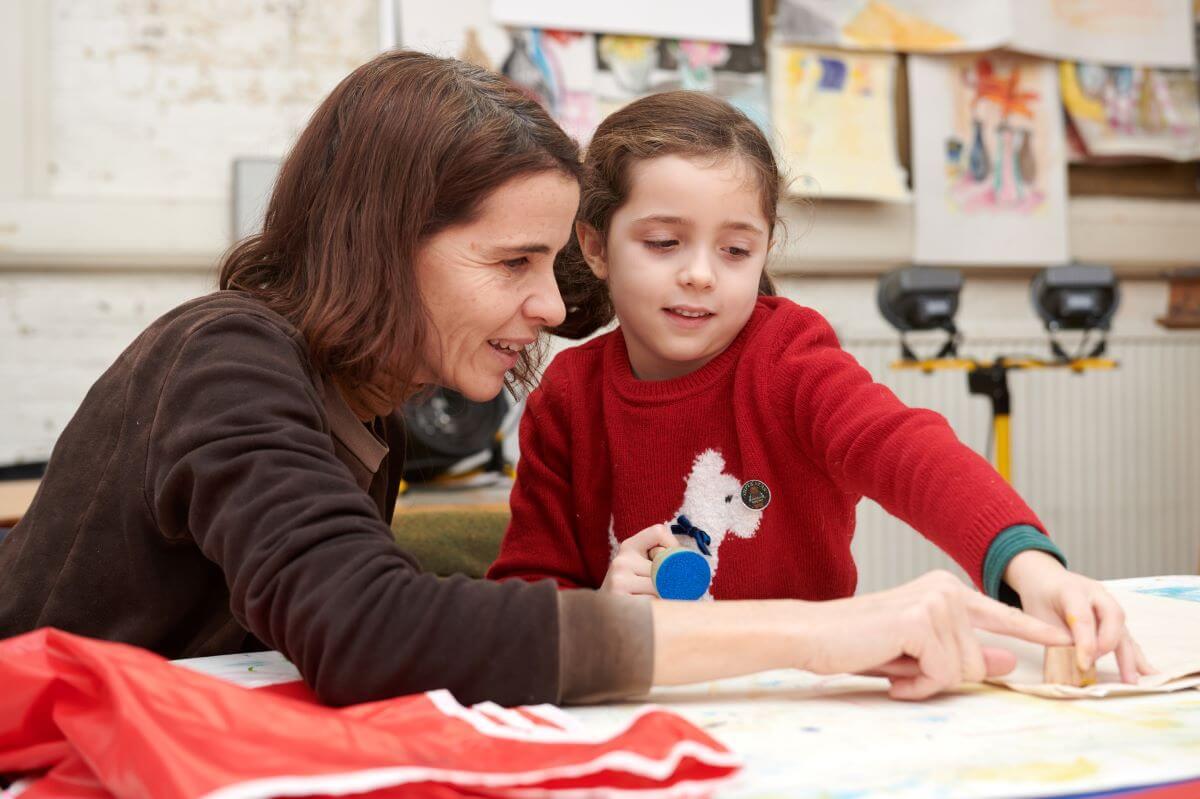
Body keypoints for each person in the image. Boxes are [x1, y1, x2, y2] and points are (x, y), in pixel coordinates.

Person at [0, 52, 1069, 707]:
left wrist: (1019, 556)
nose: (555, 307)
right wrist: (822, 629)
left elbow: (348, 627)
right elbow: (368, 627)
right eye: (515, 264)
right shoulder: (225, 358)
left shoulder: (361, 408)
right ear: (383, 244)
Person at [488, 91, 1152, 685]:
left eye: (736, 250)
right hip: (650, 700)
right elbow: (522, 597)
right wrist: (600, 609)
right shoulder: (567, 399)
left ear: (766, 249)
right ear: (596, 245)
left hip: (810, 695)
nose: (699, 274)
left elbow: (906, 448)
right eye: (664, 242)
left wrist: (1030, 564)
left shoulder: (789, 355)